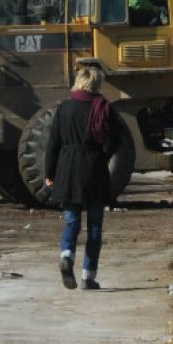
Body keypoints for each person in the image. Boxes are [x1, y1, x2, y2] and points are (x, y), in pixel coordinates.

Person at [46, 66, 123, 290]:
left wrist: (50, 173)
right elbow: (115, 140)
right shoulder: (104, 108)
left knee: (72, 220)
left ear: (78, 82)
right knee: (95, 226)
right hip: (94, 170)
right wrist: (101, 155)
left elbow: (53, 144)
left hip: (68, 170)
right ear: (97, 84)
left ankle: (67, 255)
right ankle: (88, 277)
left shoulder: (64, 108)